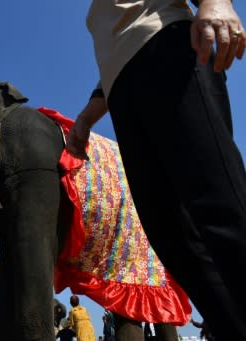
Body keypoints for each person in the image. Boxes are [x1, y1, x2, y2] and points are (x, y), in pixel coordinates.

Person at [66, 1, 246, 340]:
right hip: (122, 92)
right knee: (172, 237)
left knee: (220, 209)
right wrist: (86, 119)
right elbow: (114, 58)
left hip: (168, 47)